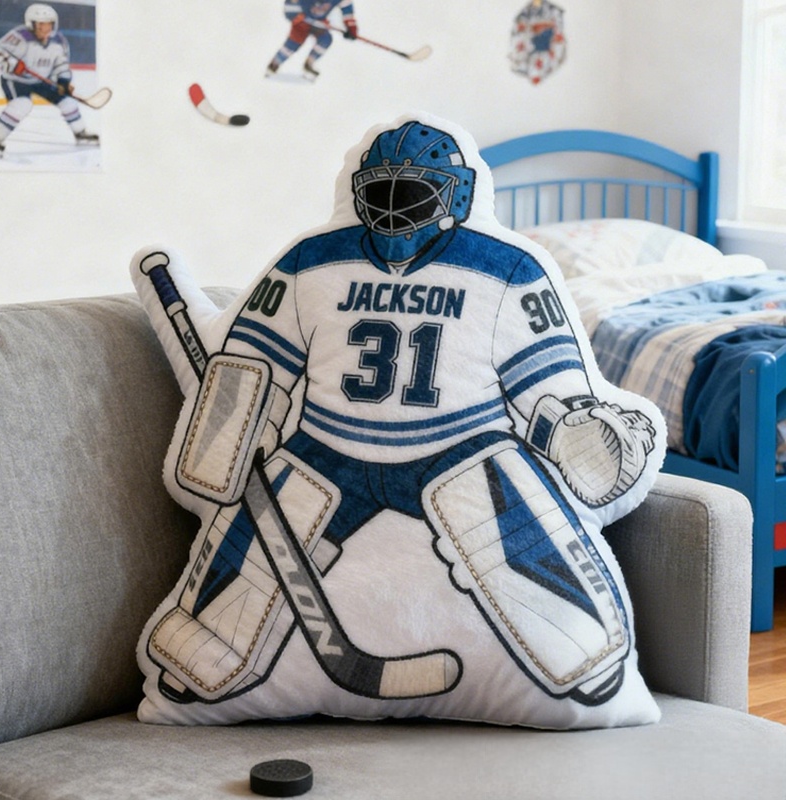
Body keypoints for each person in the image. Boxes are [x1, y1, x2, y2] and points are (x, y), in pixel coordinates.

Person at [144, 119, 658, 709]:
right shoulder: (312, 261)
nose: (391, 212)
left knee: (511, 527)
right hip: (329, 446)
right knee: (263, 541)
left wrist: (577, 431)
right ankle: (207, 654)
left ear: (455, 196)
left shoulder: (508, 269)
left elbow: (546, 386)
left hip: (458, 446)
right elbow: (255, 360)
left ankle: (580, 650)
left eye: (409, 194)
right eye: (379, 193)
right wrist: (242, 425)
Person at [0, 3, 99, 158]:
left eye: (49, 24)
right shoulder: (19, 37)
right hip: (16, 81)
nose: (46, 29)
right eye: (41, 25)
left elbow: (61, 64)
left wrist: (63, 81)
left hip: (42, 80)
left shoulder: (59, 41)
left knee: (68, 102)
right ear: (31, 25)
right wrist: (9, 65)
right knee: (21, 105)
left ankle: (81, 133)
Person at [265, 0, 358, 81]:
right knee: (293, 43)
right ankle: (275, 64)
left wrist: (351, 28)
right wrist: (294, 16)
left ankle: (309, 64)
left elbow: (347, 9)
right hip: (301, 21)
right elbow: (289, 8)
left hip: (319, 22)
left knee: (325, 39)